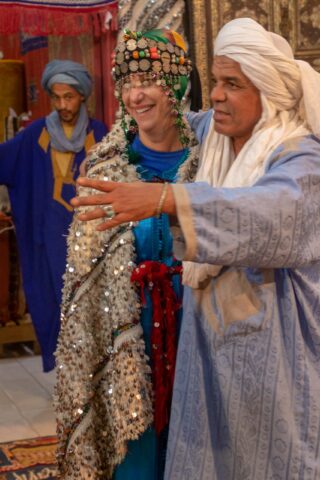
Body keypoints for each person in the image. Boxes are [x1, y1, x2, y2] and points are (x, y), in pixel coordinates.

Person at [70, 18, 320, 480]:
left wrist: (165, 199)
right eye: (215, 82)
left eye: (232, 84)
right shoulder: (214, 137)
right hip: (206, 353)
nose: (218, 95)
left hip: (275, 361)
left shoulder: (297, 155)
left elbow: (274, 213)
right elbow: (161, 124)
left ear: (268, 90)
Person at [54, 29, 199, 480]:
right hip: (127, 346)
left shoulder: (213, 161)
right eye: (127, 81)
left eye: (150, 79)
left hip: (199, 333)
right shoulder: (105, 167)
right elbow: (86, 285)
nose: (135, 94)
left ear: (175, 83)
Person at [0, 60, 107, 371]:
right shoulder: (36, 135)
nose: (63, 105)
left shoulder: (99, 134)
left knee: (90, 309)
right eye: (56, 97)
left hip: (90, 243)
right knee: (53, 307)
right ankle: (67, 377)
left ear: (82, 96)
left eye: (69, 97)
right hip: (47, 241)